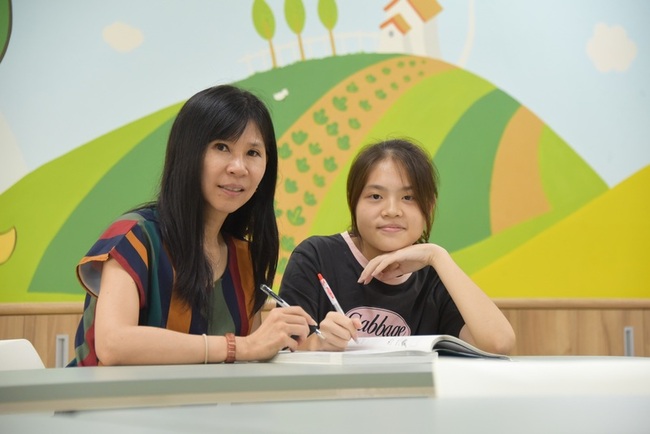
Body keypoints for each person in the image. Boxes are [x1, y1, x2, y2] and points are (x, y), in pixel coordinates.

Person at [69, 84, 317, 366]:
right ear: (187, 154)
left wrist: (313, 344)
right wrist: (238, 347)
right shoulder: (135, 237)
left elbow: (251, 357)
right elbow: (114, 344)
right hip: (106, 395)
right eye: (222, 147)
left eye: (253, 153)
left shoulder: (244, 257)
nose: (239, 167)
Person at [279, 139, 516, 354]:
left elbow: (499, 344)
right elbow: (283, 350)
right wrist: (318, 343)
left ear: (429, 207)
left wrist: (437, 255)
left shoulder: (435, 275)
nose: (392, 211)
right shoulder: (316, 256)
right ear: (354, 201)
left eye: (408, 198)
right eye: (375, 196)